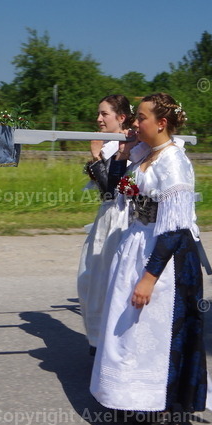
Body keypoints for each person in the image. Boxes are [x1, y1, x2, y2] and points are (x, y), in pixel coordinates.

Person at [90, 93, 212, 425]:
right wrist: (123, 153)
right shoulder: (144, 153)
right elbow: (114, 189)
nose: (134, 123)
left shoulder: (174, 161)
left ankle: (152, 402)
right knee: (127, 326)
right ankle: (124, 397)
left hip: (163, 254)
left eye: (141, 118)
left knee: (150, 329)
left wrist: (149, 278)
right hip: (135, 243)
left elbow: (175, 229)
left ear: (161, 123)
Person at [77, 95, 134, 355]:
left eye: (104, 114)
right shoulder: (112, 144)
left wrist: (95, 156)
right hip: (106, 215)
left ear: (121, 117)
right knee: (90, 276)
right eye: (98, 113)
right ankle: (97, 338)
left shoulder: (129, 145)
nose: (98, 119)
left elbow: (111, 190)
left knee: (105, 279)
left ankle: (106, 343)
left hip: (120, 217)